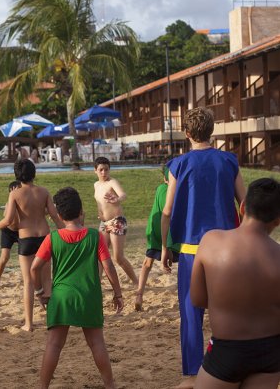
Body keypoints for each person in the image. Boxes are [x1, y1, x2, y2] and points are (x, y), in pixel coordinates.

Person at [161, 107, 246, 388]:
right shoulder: (228, 161)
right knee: (229, 310)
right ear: (213, 130)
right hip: (227, 249)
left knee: (190, 314)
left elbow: (167, 211)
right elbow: (245, 206)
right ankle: (232, 369)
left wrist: (165, 248)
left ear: (186, 133)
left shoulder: (179, 164)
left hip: (191, 250)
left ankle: (192, 376)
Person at [30, 187, 123, 389]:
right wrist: (117, 293)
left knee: (54, 345)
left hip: (61, 297)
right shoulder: (94, 236)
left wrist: (39, 293)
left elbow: (34, 268)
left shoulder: (52, 238)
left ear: (60, 215)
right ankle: (110, 385)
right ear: (82, 212)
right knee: (97, 343)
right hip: (88, 296)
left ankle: (42, 386)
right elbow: (108, 267)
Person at [191, 178, 280, 389]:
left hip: (227, 349)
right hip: (271, 351)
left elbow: (198, 298)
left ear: (242, 207)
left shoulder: (211, 241)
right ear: (277, 220)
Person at [0, 160, 63, 331]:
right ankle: (52, 320)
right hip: (44, 236)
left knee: (28, 282)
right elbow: (55, 216)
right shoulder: (43, 192)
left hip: (26, 238)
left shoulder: (15, 194)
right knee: (47, 280)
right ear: (34, 173)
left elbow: (8, 220)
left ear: (17, 175)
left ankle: (29, 324)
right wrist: (68, 232)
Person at [135, 165, 180, 311]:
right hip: (169, 232)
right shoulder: (177, 192)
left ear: (164, 179)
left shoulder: (160, 189)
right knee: (185, 262)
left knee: (147, 263)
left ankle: (139, 295)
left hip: (154, 230)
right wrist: (167, 246)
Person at [94, 156, 138, 286]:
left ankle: (136, 282)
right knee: (99, 256)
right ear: (95, 170)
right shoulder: (96, 185)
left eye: (106, 170)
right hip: (104, 223)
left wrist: (117, 199)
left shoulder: (112, 182)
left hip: (117, 221)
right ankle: (96, 284)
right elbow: (99, 202)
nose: (104, 173)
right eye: (101, 170)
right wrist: (100, 214)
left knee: (118, 258)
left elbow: (123, 194)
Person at [0, 180, 21, 288]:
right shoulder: (9, 203)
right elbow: (7, 218)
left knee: (26, 257)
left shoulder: (26, 201)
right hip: (8, 231)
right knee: (4, 257)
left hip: (21, 231)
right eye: (19, 189)